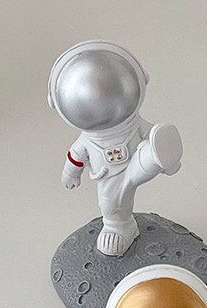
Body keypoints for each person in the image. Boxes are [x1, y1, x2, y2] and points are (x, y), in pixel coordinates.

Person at [48, 40, 183, 256]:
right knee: (110, 203)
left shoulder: (134, 124)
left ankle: (157, 156)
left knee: (146, 155)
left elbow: (150, 132)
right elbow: (76, 156)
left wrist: (165, 154)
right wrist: (70, 173)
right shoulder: (87, 140)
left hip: (134, 161)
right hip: (109, 175)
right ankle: (119, 226)